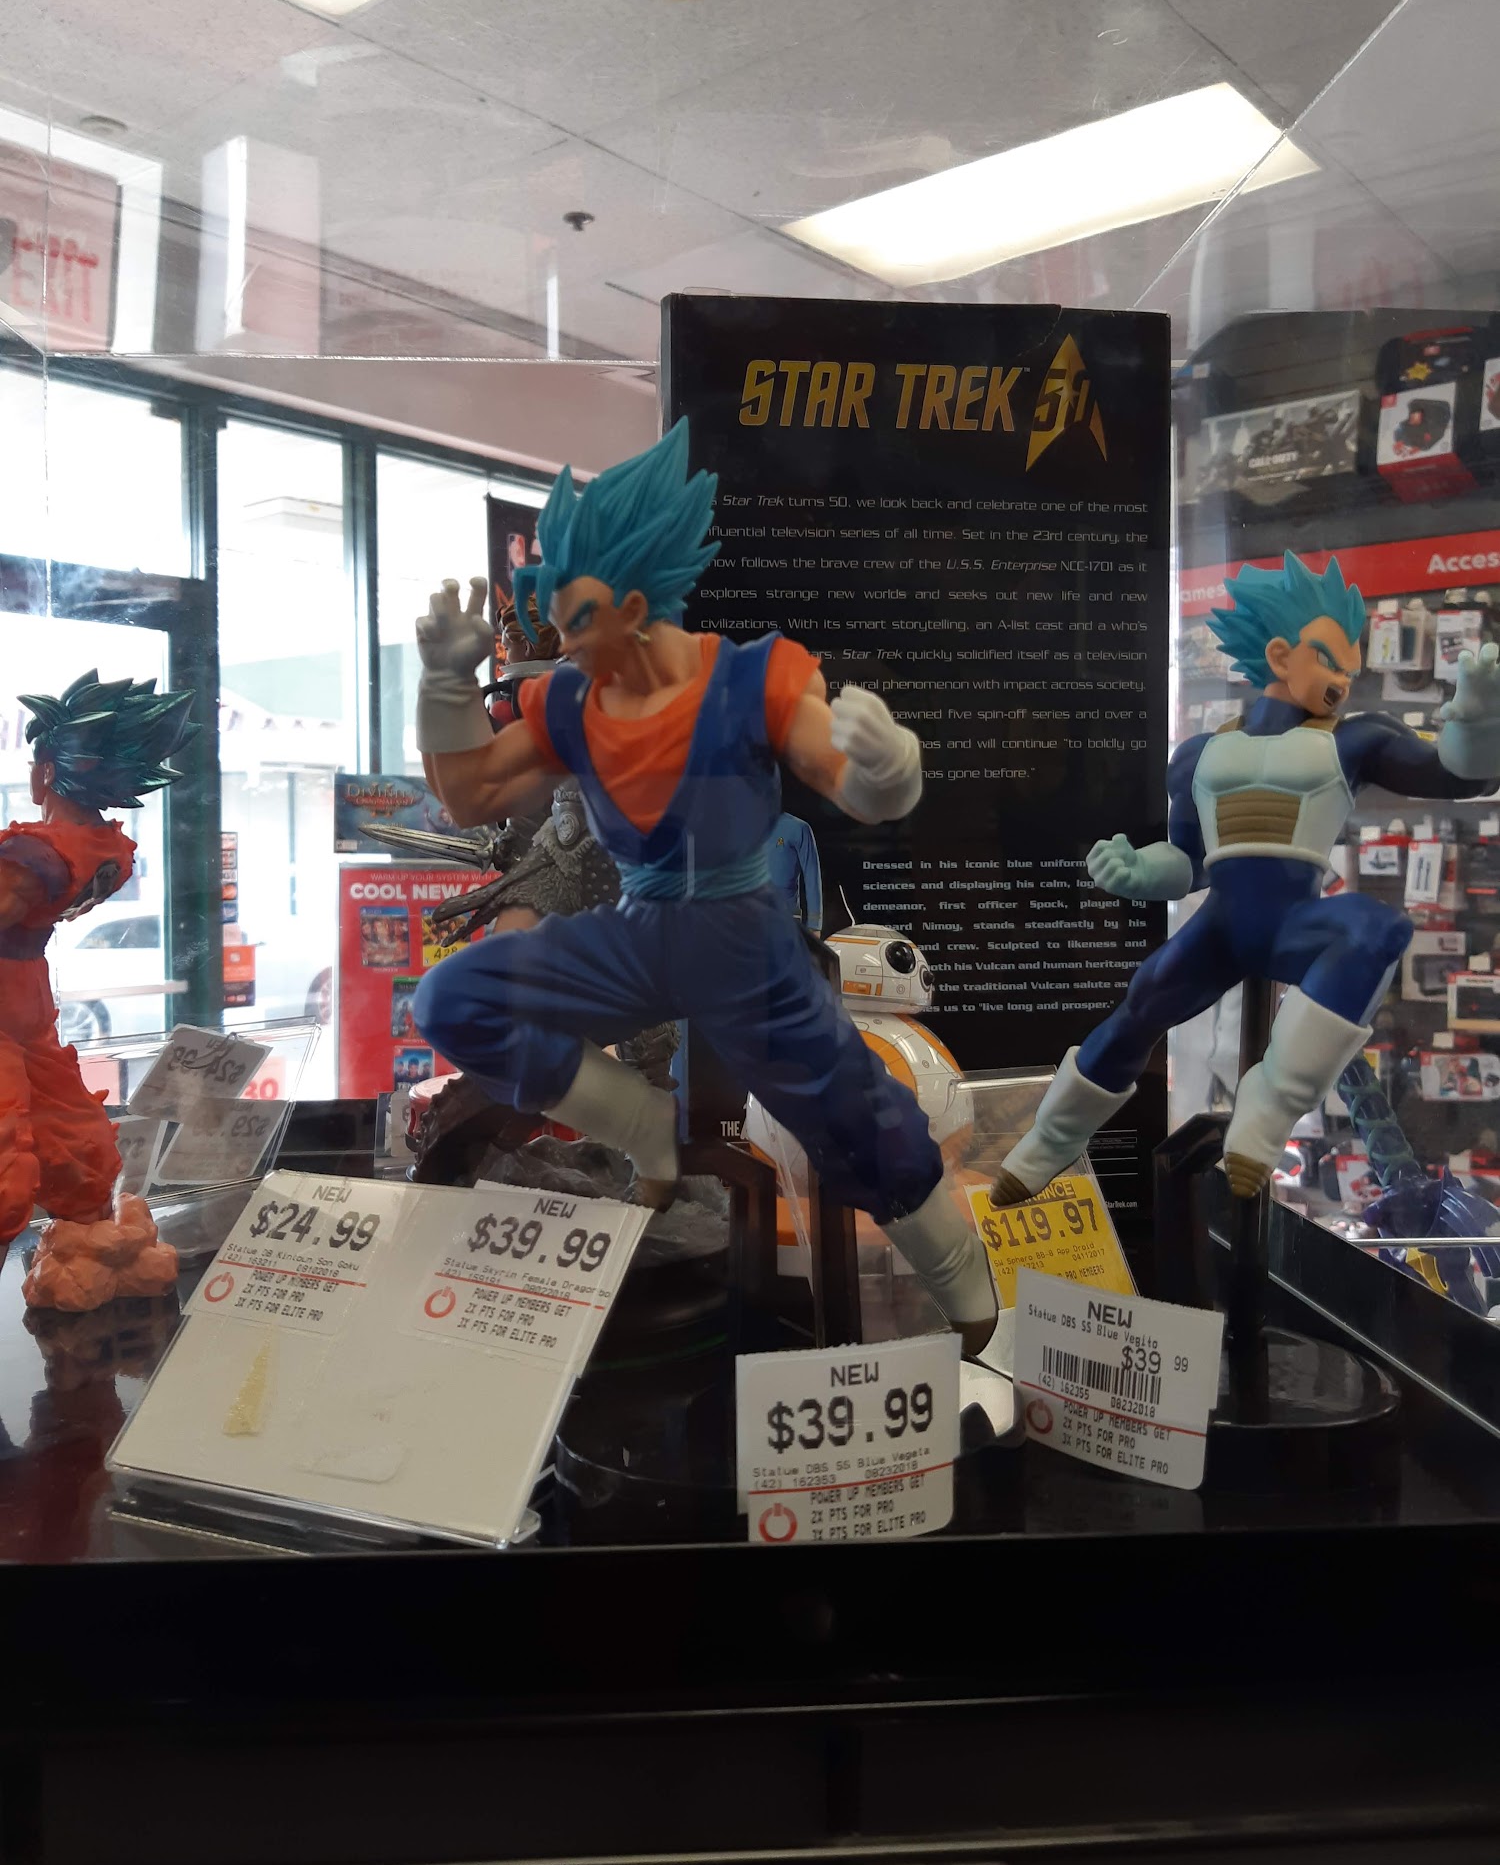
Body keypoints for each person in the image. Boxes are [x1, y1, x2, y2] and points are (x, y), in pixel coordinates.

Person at [411, 420, 996, 1352]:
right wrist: (444, 686)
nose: (560, 640)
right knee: (456, 998)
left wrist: (890, 769)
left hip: (745, 946)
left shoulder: (751, 678)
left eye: (575, 618)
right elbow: (470, 793)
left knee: (852, 1113)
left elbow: (847, 781)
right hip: (636, 934)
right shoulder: (573, 703)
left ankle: (960, 1274)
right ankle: (640, 1124)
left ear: (637, 604)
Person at [993, 551, 1500, 1206]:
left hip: (1296, 923)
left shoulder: (1355, 741)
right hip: (1219, 929)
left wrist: (1477, 723)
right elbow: (1186, 863)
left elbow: (1456, 777)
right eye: (1330, 660)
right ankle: (1051, 1139)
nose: (1343, 681)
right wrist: (1136, 870)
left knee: (1375, 929)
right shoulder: (1199, 755)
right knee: (1141, 1006)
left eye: (1350, 668)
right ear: (1281, 655)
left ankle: (1273, 1099)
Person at [0, 671, 195, 1307]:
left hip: (15, 1001)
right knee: (71, 1141)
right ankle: (90, 1238)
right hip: (27, 1000)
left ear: (46, 773)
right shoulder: (109, 851)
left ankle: (89, 1244)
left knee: (46, 1150)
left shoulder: (35, 854)